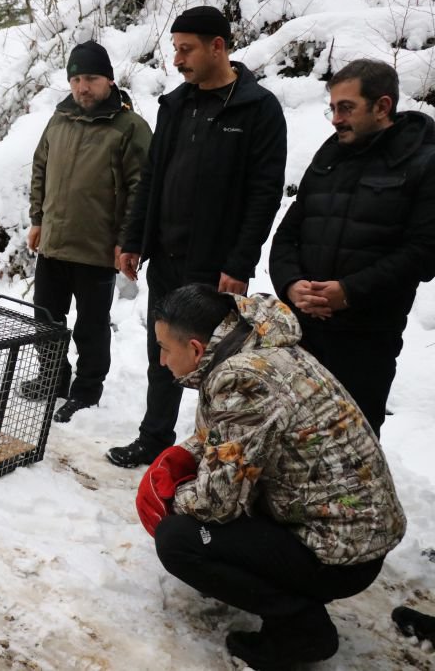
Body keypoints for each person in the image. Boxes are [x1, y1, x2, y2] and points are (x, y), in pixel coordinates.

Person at [135, 284, 405, 669]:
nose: (161, 360)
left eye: (164, 348)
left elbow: (216, 502)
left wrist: (170, 499)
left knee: (179, 539)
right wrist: (184, 455)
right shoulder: (254, 344)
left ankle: (300, 630)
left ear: (196, 348)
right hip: (353, 527)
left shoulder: (243, 379)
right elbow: (235, 435)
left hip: (341, 554)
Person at [108, 6, 287, 467]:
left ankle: (216, 452)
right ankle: (155, 438)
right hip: (167, 256)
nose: (177, 60)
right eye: (175, 49)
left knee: (219, 364)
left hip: (215, 266)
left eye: (186, 50)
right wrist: (133, 240)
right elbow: (152, 179)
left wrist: (241, 263)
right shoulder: (176, 105)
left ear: (218, 47)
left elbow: (263, 194)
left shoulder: (257, 109)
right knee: (163, 353)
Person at [269, 58, 435, 438]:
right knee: (292, 438)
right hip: (303, 329)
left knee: (349, 446)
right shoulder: (328, 157)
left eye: (346, 108)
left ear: (382, 106)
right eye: (332, 108)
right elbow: (288, 233)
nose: (335, 119)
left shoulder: (423, 164)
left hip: (366, 339)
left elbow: (423, 253)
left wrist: (349, 292)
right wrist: (292, 285)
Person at [21, 41, 151, 423]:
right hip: (54, 244)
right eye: (76, 79)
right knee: (45, 318)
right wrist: (38, 219)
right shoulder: (60, 119)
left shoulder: (131, 128)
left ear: (109, 79)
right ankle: (53, 379)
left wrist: (126, 242)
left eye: (91, 78)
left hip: (97, 248)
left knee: (92, 327)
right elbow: (40, 167)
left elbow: (140, 188)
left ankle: (87, 390)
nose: (82, 87)